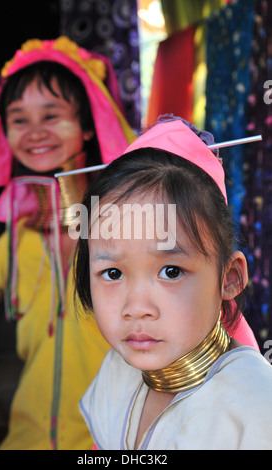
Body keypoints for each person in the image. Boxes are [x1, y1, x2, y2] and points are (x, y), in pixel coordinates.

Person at [0, 37, 135, 450]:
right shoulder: (20, 238)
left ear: (86, 125)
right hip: (25, 438)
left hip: (113, 444)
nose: (35, 132)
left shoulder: (132, 231)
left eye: (51, 115)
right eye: (19, 119)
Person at [75, 116, 272, 450]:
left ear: (230, 278)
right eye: (113, 274)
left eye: (170, 271)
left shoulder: (255, 406)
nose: (136, 307)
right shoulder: (116, 371)